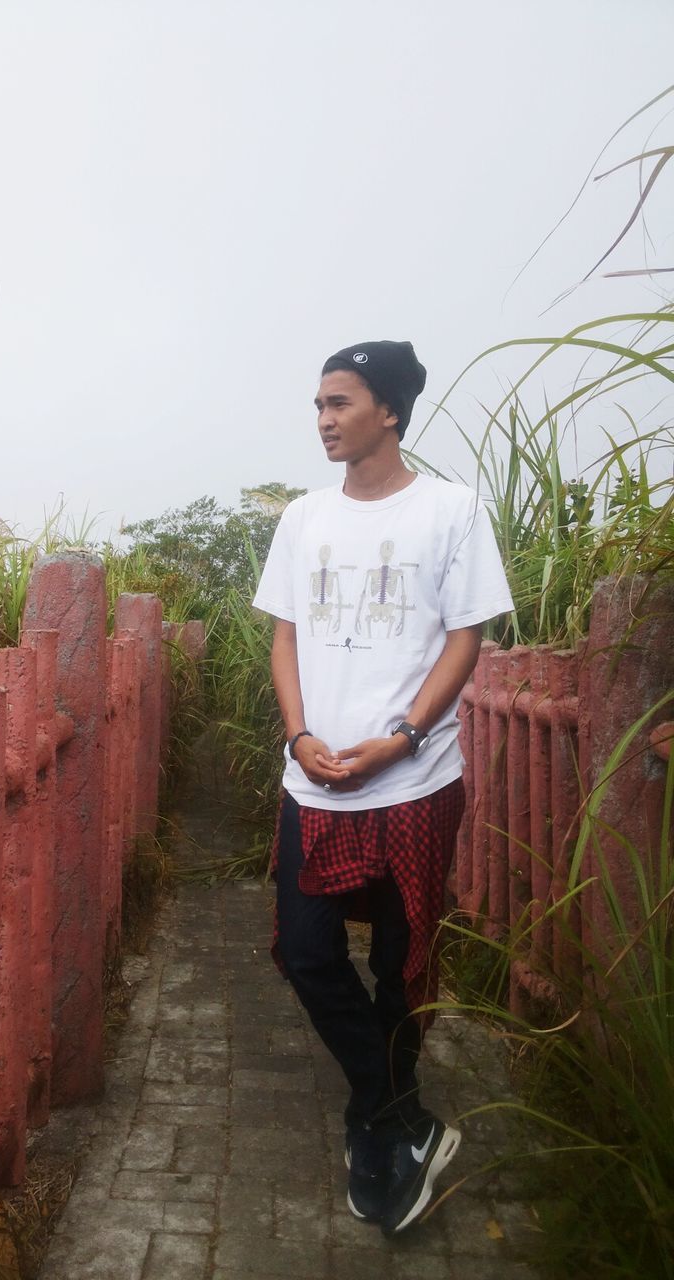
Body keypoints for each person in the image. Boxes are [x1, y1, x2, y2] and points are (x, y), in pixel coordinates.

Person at [252, 340, 513, 1235]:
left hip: (414, 780)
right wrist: (300, 734)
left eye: (340, 403)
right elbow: (284, 636)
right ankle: (397, 1110)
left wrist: (400, 738)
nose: (323, 419)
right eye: (318, 405)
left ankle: (374, 1127)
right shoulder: (303, 518)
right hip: (313, 779)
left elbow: (465, 638)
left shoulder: (451, 510)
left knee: (403, 964)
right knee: (307, 951)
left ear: (389, 412)